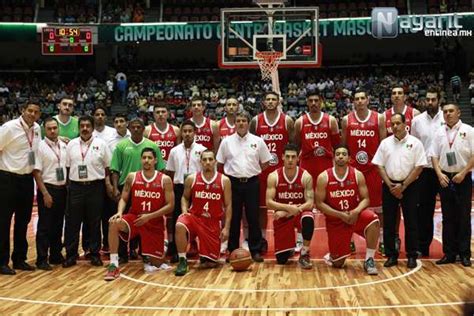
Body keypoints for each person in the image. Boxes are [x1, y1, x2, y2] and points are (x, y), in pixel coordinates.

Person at [104, 148, 175, 281]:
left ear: (155, 160)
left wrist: (149, 216)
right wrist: (119, 212)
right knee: (113, 223)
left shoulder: (165, 180)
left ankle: (159, 248)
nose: (146, 160)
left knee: (158, 264)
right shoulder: (132, 176)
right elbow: (124, 198)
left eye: (149, 158)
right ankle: (113, 265)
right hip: (135, 217)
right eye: (144, 158)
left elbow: (170, 206)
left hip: (154, 222)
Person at [315, 145, 380, 275]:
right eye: (338, 154)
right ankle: (334, 255)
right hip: (335, 221)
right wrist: (340, 214)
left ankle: (369, 259)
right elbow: (319, 204)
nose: (340, 156)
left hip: (354, 216)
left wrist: (356, 211)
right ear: (334, 158)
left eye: (344, 154)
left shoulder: (357, 175)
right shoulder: (324, 177)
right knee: (338, 264)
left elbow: (366, 199)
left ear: (349, 158)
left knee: (373, 219)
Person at [217, 110, 272, 262]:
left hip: (252, 183)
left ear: (248, 123)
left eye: (244, 121)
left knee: (253, 217)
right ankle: (233, 249)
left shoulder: (258, 141)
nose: (241, 123)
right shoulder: (226, 141)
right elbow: (220, 164)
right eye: (238, 121)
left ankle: (255, 249)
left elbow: (266, 161)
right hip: (232, 183)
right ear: (234, 123)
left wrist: (255, 171)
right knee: (233, 218)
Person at [372, 113, 426, 269]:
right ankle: (391, 255)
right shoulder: (385, 143)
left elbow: (419, 167)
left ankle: (411, 255)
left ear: (405, 125)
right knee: (389, 222)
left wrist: (403, 185)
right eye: (392, 124)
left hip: (410, 187)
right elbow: (379, 165)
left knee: (411, 222)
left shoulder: (415, 143)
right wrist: (390, 185)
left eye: (398, 123)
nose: (395, 126)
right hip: (389, 186)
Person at [110, 117, 165, 263]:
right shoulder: (121, 146)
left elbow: (161, 169)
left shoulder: (152, 146)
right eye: (133, 127)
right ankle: (122, 254)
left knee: (144, 221)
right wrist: (115, 188)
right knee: (123, 221)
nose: (135, 129)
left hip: (148, 187)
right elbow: (115, 169)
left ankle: (143, 252)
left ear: (143, 129)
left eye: (138, 127)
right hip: (127, 186)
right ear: (129, 128)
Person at [63, 115, 113, 268]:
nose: (85, 128)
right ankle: (71, 254)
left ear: (92, 128)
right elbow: (67, 167)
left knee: (94, 221)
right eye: (82, 126)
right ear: (79, 128)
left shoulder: (101, 144)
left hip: (95, 187)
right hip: (76, 187)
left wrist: (107, 184)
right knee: (72, 222)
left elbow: (107, 167)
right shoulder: (71, 144)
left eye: (88, 126)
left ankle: (94, 253)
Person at [341, 89, 386, 253]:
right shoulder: (346, 120)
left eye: (362, 98)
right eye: (356, 99)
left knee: (378, 208)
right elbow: (343, 145)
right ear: (353, 101)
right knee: (350, 206)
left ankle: (380, 239)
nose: (359, 101)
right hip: (353, 171)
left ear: (368, 99)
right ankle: (349, 240)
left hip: (373, 169)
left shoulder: (379, 118)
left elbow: (383, 145)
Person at [0, 100, 41, 275]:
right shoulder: (9, 127)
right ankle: (1, 262)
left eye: (36, 112)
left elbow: (35, 152)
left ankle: (19, 259)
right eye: (29, 110)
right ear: (22, 110)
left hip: (26, 179)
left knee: (23, 221)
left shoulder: (37, 129)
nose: (32, 114)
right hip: (7, 178)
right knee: (3, 222)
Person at [174, 150, 232, 276]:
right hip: (195, 218)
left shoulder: (224, 180)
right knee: (179, 224)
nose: (207, 162)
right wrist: (184, 212)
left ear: (215, 162)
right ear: (200, 162)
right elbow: (184, 197)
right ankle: (182, 260)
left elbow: (228, 205)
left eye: (210, 159)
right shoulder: (192, 179)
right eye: (204, 160)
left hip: (212, 223)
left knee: (211, 263)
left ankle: (204, 252)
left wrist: (226, 228)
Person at [430, 103, 473, 267]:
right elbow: (433, 155)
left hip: (463, 177)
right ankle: (449, 253)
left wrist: (463, 173)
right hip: (445, 178)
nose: (448, 114)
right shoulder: (439, 132)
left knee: (463, 217)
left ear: (459, 112)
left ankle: (464, 254)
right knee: (447, 218)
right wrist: (439, 174)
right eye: (445, 111)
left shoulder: (469, 131)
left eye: (451, 111)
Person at [250, 91, 294, 252]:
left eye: (273, 99)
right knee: (261, 208)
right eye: (267, 99)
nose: (270, 102)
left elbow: (293, 145)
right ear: (263, 102)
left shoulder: (287, 121)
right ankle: (262, 239)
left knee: (284, 208)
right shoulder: (256, 121)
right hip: (262, 170)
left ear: (278, 102)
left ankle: (288, 242)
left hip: (283, 171)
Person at [266, 144, 314, 269]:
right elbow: (269, 202)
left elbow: (310, 203)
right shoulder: (274, 176)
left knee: (308, 218)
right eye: (287, 156)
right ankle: (289, 248)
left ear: (298, 158)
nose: (290, 160)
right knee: (282, 260)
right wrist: (288, 208)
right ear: (282, 157)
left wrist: (289, 211)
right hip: (283, 217)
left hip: (297, 214)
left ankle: (304, 253)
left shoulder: (306, 176)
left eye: (293, 157)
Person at [410, 87, 444, 257]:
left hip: (445, 170)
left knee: (451, 209)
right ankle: (423, 247)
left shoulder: (447, 118)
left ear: (439, 100)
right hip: (424, 171)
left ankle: (452, 250)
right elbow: (414, 146)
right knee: (423, 210)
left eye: (433, 100)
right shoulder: (417, 121)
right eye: (427, 100)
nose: (430, 103)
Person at [166, 120, 206, 261]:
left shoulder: (202, 150)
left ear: (195, 133)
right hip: (179, 187)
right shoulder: (174, 151)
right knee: (179, 218)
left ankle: (197, 246)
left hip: (197, 187)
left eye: (190, 131)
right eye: (185, 131)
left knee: (197, 218)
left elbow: (205, 170)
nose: (187, 134)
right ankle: (178, 250)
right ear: (181, 133)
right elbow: (170, 172)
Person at [33, 118, 68, 270]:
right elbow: (36, 172)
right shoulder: (38, 147)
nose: (52, 131)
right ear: (44, 130)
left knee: (58, 225)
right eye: (49, 129)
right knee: (45, 226)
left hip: (63, 189)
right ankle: (41, 258)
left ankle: (55, 254)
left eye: (55, 128)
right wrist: (45, 193)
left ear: (58, 128)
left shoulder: (64, 145)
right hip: (48, 188)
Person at [294, 91, 340, 188]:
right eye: (311, 101)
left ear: (321, 102)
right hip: (307, 164)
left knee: (326, 195)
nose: (313, 103)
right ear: (307, 102)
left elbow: (337, 146)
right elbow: (296, 145)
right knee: (308, 195)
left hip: (326, 163)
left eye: (316, 100)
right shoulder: (300, 122)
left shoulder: (331, 120)